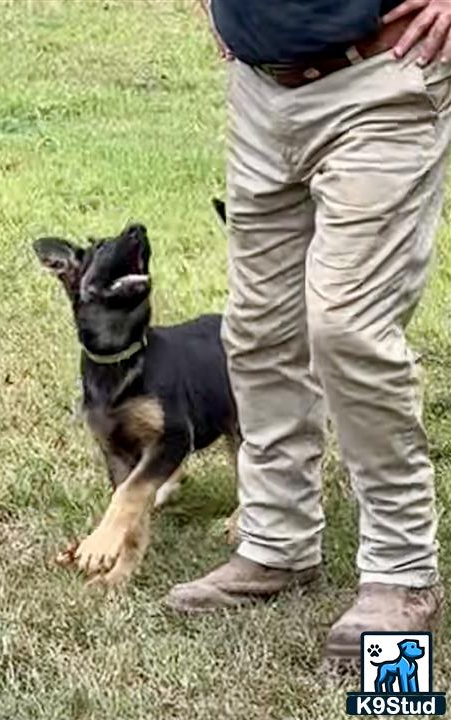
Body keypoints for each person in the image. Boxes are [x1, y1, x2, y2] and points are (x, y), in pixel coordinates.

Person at [166, 0, 451, 663]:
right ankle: (277, 543)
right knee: (260, 329)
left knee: (349, 327)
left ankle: (401, 573)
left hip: (385, 74)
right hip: (263, 90)